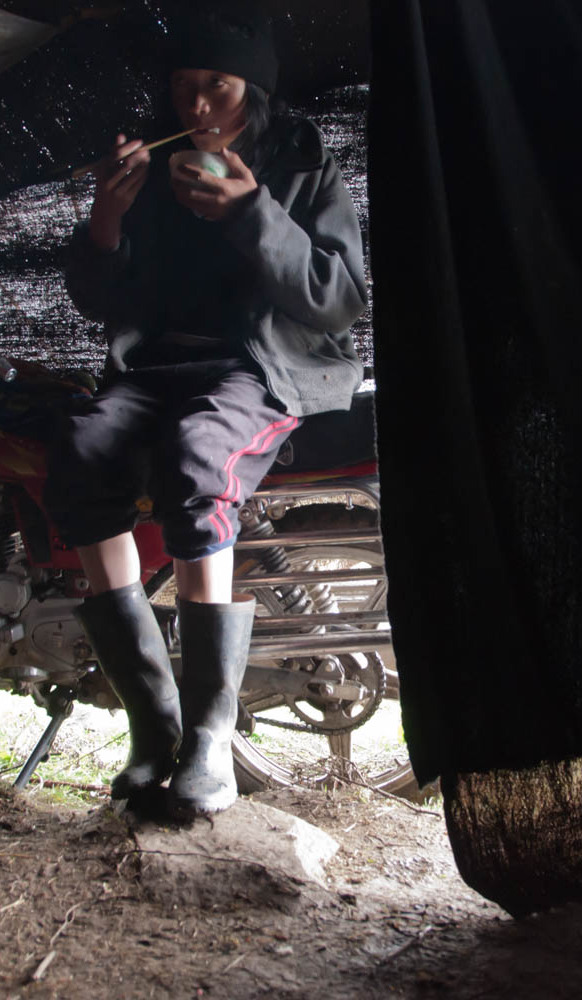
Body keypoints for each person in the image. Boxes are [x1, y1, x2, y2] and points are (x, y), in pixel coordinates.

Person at [44, 3, 367, 819]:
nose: (195, 105)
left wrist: (252, 212)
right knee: (81, 449)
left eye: (215, 86)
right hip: (156, 364)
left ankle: (210, 736)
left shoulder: (300, 159)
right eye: (184, 85)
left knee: (198, 453)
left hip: (258, 366)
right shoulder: (151, 164)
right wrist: (107, 218)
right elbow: (95, 300)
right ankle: (154, 723)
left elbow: (339, 300)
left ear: (251, 88)